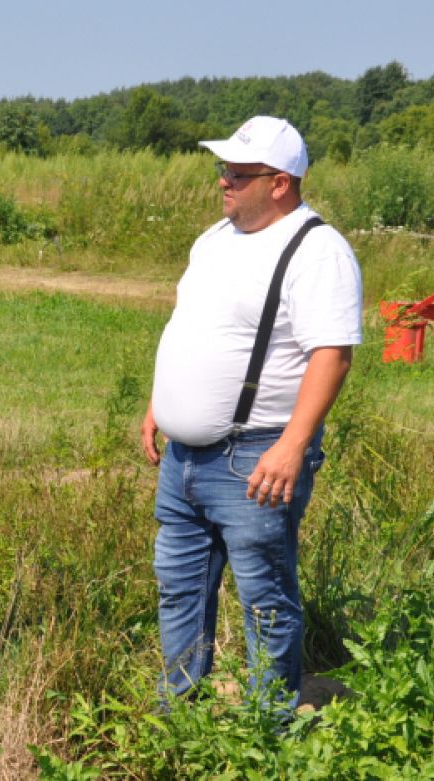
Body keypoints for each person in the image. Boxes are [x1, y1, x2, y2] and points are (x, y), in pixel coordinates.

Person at [140, 116, 362, 710]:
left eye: (240, 173)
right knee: (180, 588)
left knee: (264, 597)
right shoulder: (215, 238)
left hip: (254, 454)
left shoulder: (316, 251)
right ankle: (178, 709)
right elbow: (192, 326)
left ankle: (269, 724)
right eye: (223, 170)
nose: (224, 182)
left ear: (282, 182)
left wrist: (292, 445)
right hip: (184, 458)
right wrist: (161, 403)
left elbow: (332, 355)